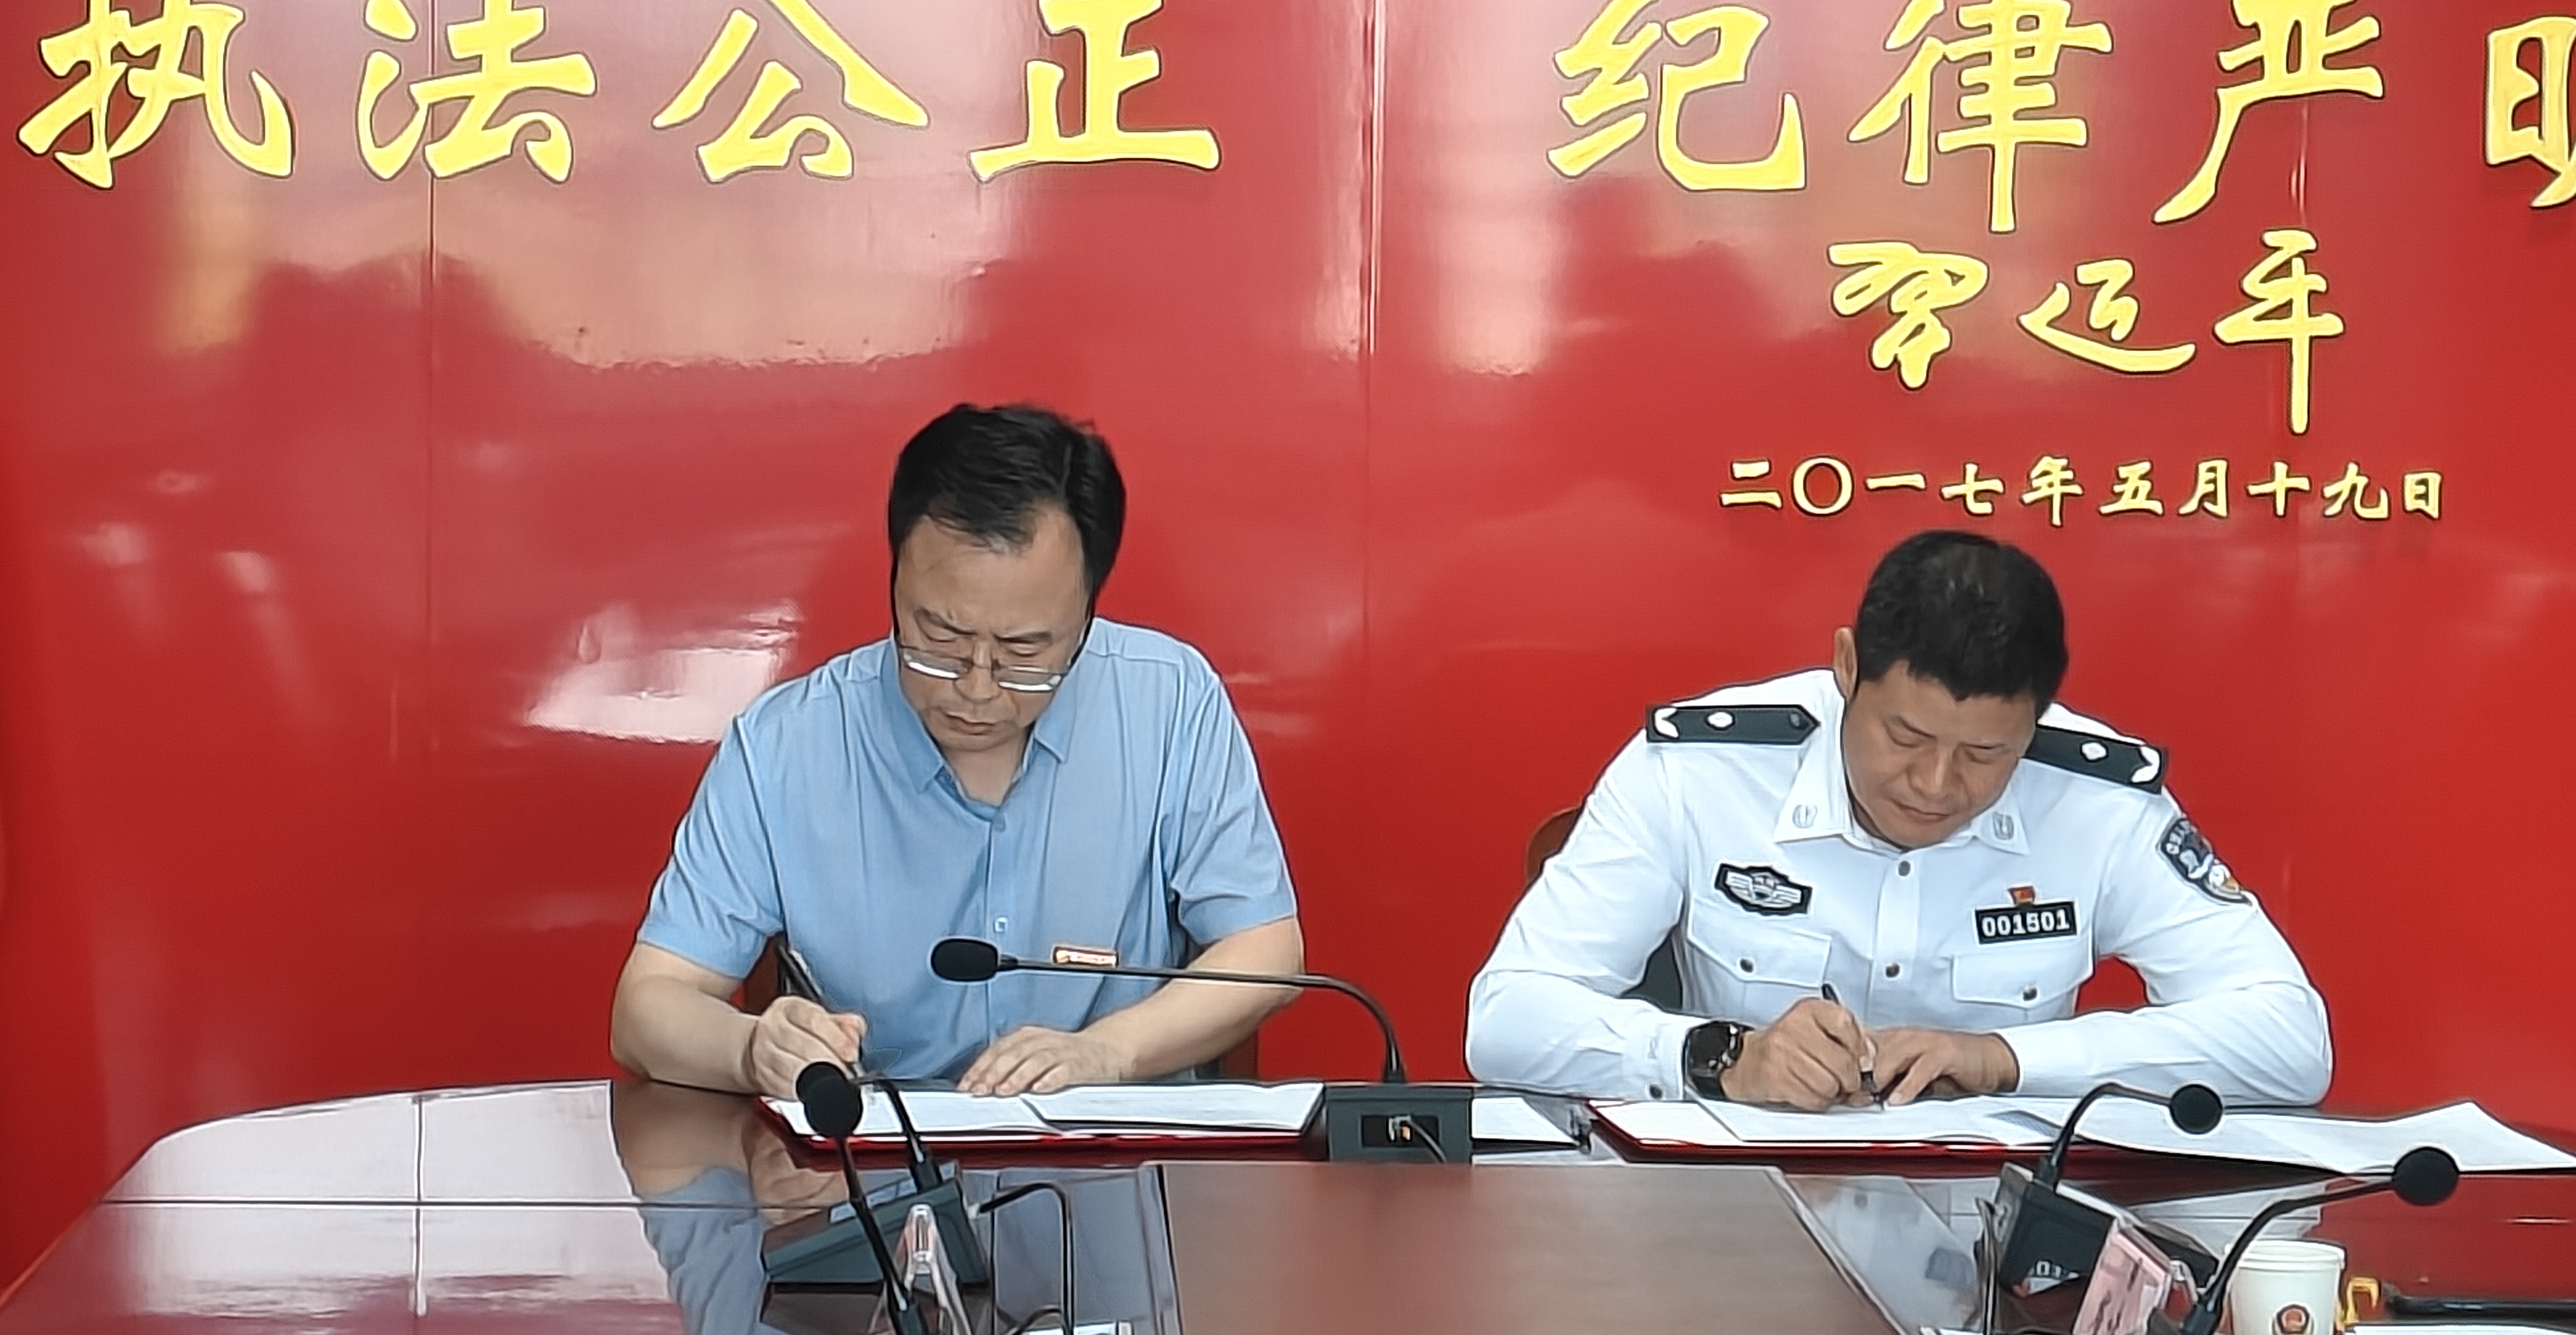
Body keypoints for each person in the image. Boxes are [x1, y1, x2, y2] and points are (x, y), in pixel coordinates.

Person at [1465, 529, 2331, 1109]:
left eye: (1987, 753)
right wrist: (1724, 1056)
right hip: (1731, 1228)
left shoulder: (2097, 799)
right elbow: (1508, 1019)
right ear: (1847, 668)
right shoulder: (1701, 772)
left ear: (2037, 720)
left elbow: (2288, 1040)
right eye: (1906, 737)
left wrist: (2006, 1059)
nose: (1936, 784)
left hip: (2002, 1249)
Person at [610, 403, 1302, 1099]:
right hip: (878, 1154)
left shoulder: (1170, 702)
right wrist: (750, 1048)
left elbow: (1267, 949)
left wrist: (1106, 1053)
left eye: (1024, 651)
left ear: (1087, 616)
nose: (976, 688)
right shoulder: (786, 745)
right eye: (939, 637)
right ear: (896, 580)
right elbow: (648, 1006)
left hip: (1113, 1149)